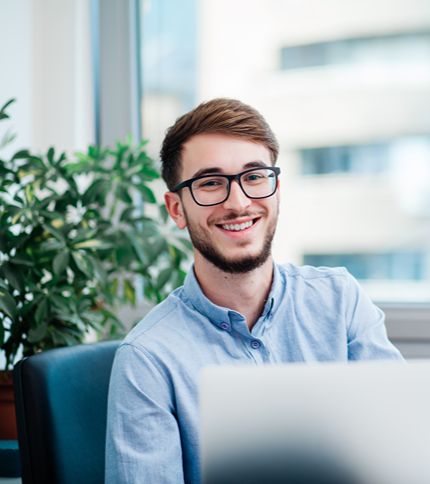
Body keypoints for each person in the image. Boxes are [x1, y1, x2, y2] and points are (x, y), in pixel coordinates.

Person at [105, 98, 403, 483]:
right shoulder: (147, 359)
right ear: (176, 209)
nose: (239, 202)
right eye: (210, 183)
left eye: (255, 176)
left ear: (276, 189)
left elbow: (398, 452)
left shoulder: (340, 301)